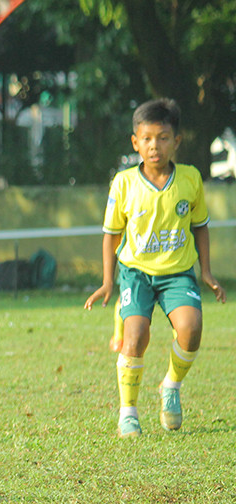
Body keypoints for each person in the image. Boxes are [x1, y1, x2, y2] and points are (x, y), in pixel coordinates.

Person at [84, 98, 226, 437]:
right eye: (146, 138)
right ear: (135, 142)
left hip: (177, 273)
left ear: (176, 141)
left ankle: (171, 387)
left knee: (191, 330)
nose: (154, 146)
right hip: (136, 273)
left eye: (163, 137)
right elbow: (111, 234)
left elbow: (201, 225)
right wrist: (107, 282)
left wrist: (205, 272)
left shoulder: (190, 179)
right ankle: (128, 413)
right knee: (135, 337)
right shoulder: (123, 183)